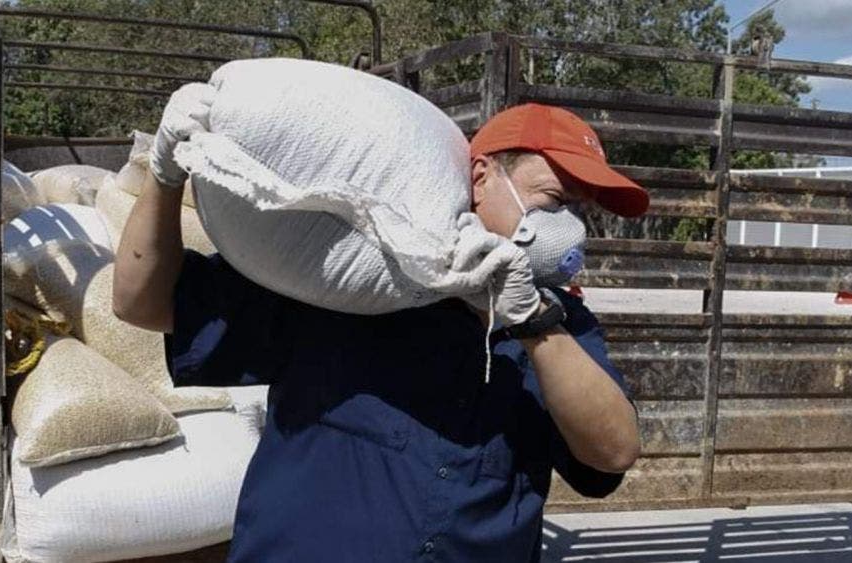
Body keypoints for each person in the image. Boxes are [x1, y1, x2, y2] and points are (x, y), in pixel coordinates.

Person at [112, 87, 646, 562]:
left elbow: (613, 452)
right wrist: (165, 175)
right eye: (554, 201)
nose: (569, 228)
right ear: (484, 178)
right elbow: (141, 304)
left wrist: (533, 323)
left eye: (580, 211)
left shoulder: (559, 322)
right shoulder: (343, 274)